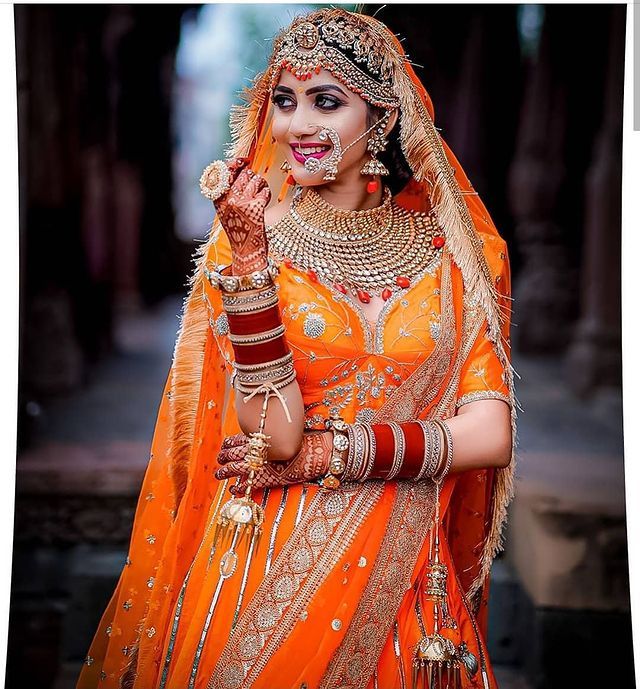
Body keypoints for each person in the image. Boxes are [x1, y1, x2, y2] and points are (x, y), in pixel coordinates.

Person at [77, 7, 518, 689]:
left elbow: (489, 433)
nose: (295, 125)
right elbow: (275, 437)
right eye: (283, 101)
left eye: (326, 101)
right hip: (270, 565)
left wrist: (333, 451)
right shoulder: (254, 246)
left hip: (406, 578)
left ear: (383, 118)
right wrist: (251, 261)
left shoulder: (458, 257)